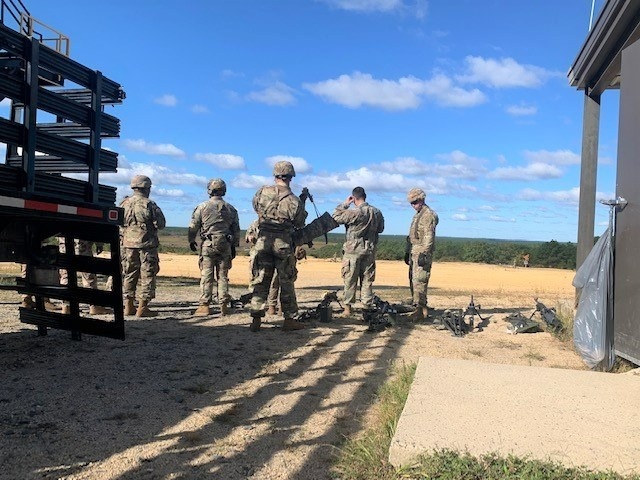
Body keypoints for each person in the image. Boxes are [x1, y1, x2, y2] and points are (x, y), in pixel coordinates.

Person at [249, 161, 307, 332]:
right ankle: (289, 320)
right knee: (286, 281)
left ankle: (256, 320)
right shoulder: (294, 200)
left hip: (263, 242)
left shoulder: (261, 192)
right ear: (290, 177)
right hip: (283, 244)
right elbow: (299, 222)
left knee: (260, 280)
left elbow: (256, 208)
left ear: (275, 175)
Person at [188, 178, 240, 316]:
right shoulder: (231, 209)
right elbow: (236, 230)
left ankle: (205, 305)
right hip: (225, 244)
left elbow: (193, 226)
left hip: (208, 244)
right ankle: (223, 304)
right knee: (223, 276)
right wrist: (234, 246)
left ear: (210, 190)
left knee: (207, 275)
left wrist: (191, 240)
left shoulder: (202, 207)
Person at [332, 186, 384, 316]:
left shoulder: (354, 212)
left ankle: (348, 308)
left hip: (353, 250)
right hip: (369, 249)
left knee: (350, 279)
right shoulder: (376, 212)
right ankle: (367, 306)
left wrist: (345, 204)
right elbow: (381, 228)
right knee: (367, 279)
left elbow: (335, 216)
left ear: (354, 198)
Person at [120, 175, 166, 317]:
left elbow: (119, 222)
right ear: (147, 188)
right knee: (148, 274)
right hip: (147, 245)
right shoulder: (150, 204)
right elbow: (161, 224)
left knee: (129, 273)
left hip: (127, 244)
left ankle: (128, 306)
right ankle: (143, 307)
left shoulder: (123, 204)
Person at [406, 187, 438, 321]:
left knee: (420, 281)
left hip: (422, 252)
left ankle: (420, 310)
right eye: (411, 203)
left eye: (415, 202)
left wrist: (424, 254)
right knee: (414, 280)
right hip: (415, 250)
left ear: (422, 199)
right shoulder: (419, 214)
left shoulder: (427, 215)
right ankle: (419, 308)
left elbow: (429, 236)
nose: (413, 205)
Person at [58, 239, 110, 315]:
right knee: (88, 275)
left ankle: (66, 305)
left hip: (64, 244)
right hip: (82, 243)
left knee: (66, 274)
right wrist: (99, 244)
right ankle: (93, 305)